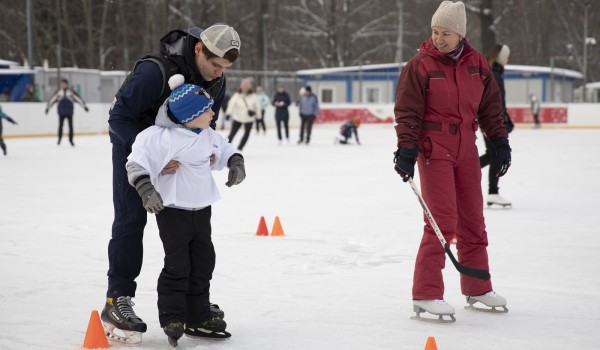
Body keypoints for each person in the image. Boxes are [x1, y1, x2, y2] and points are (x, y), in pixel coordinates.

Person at [103, 23, 240, 346]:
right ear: (198, 50)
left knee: (192, 239)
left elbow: (209, 126)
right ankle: (117, 300)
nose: (219, 74)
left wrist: (207, 153)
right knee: (130, 221)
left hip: (181, 163)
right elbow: (118, 117)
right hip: (138, 151)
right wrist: (152, 156)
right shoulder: (155, 72)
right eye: (215, 65)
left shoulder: (215, 81)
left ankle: (194, 308)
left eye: (225, 68)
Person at [393, 0, 511, 322]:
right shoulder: (420, 65)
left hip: (467, 147)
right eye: (435, 31)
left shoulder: (477, 64)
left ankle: (477, 287)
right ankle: (427, 293)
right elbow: (407, 112)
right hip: (434, 148)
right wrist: (406, 149)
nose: (439, 39)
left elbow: (489, 109)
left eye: (446, 33)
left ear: (461, 34)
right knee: (441, 222)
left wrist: (500, 142)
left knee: (473, 219)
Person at [126, 75, 245, 345]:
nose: (214, 113)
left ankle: (199, 314)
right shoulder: (159, 137)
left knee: (203, 262)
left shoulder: (207, 134)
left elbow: (225, 147)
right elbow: (135, 163)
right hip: (173, 211)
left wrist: (235, 161)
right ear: (190, 115)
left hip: (202, 210)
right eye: (208, 110)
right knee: (178, 264)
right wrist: (146, 189)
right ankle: (173, 316)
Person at [479, 44, 514, 208]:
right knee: (494, 155)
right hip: (490, 122)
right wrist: (500, 121)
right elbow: (494, 103)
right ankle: (493, 192)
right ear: (500, 58)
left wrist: (506, 119)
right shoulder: (494, 74)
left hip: (490, 120)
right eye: (506, 56)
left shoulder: (493, 73)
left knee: (491, 154)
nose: (508, 59)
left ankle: (463, 169)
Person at [45, 79, 89, 146]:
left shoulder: (70, 92)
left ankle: (71, 140)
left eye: (64, 84)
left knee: (70, 126)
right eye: (62, 84)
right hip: (61, 112)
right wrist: (48, 108)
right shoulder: (59, 92)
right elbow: (52, 99)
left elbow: (78, 99)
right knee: (60, 126)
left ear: (67, 84)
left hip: (69, 112)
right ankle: (59, 139)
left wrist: (84, 106)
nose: (63, 85)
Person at [226, 78, 261, 151]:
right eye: (244, 86)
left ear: (249, 87)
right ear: (241, 87)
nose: (245, 88)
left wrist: (259, 117)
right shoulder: (237, 95)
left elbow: (258, 106)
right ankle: (226, 146)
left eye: (247, 86)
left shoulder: (253, 96)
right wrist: (228, 113)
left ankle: (240, 147)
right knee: (232, 133)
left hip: (249, 118)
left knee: (247, 133)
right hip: (238, 117)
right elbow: (231, 104)